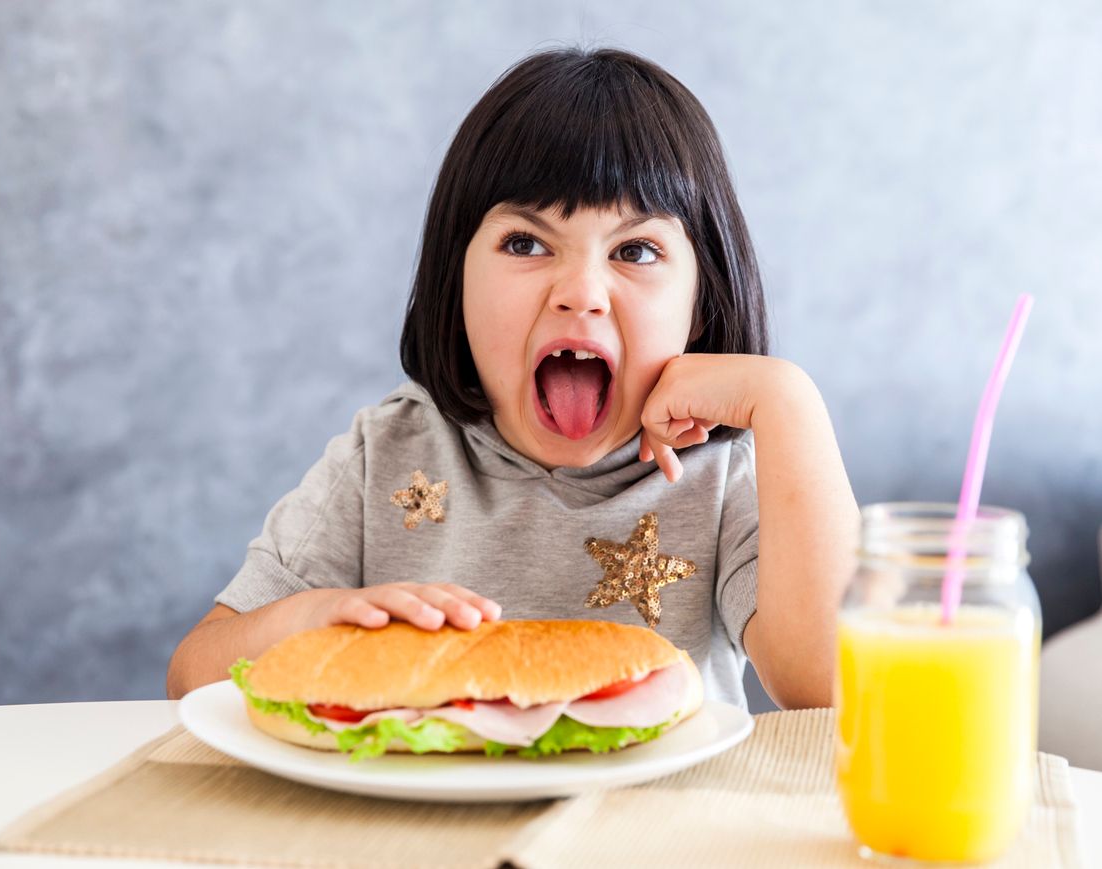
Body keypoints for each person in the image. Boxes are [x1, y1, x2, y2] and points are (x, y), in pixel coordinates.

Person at [167, 46, 859, 710]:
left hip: (660, 799)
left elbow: (828, 686)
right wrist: (310, 618)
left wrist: (785, 400)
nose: (580, 293)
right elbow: (194, 676)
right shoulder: (386, 455)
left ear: (702, 302)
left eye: (635, 250)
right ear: (456, 281)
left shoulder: (724, 478)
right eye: (526, 243)